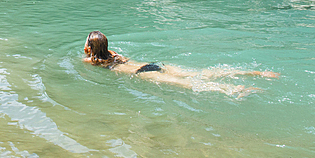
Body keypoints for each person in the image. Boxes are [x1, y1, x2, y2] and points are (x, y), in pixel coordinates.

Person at [83, 31, 278, 96]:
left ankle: (235, 89)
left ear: (90, 47)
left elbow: (88, 58)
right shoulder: (115, 54)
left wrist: (88, 52)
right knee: (201, 72)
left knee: (189, 85)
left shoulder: (92, 62)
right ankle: (255, 73)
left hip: (142, 74)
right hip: (154, 65)